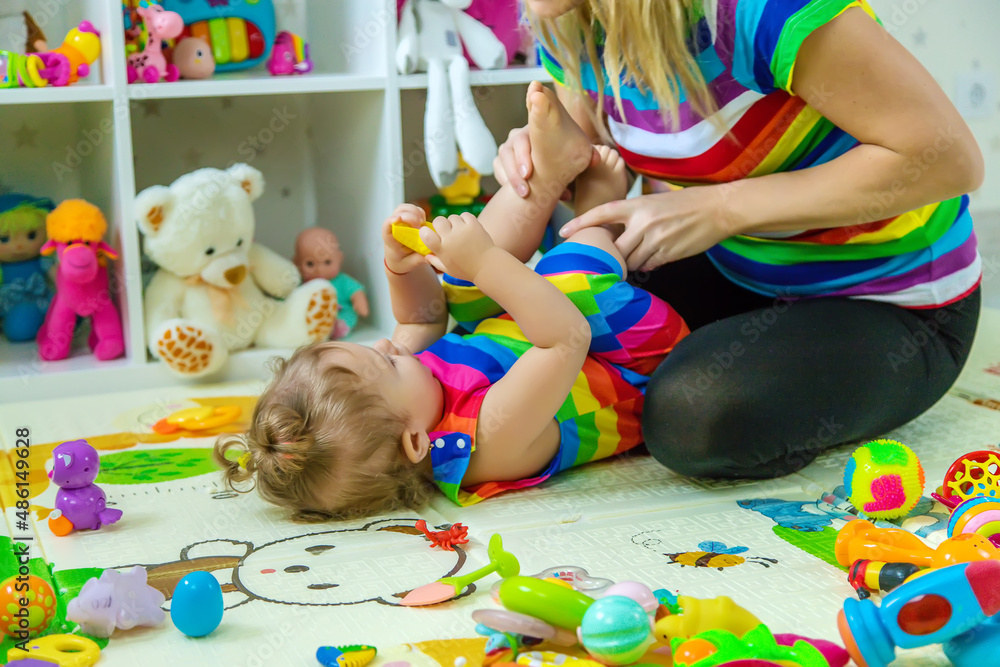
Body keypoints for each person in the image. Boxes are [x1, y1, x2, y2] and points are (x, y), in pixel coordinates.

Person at [494, 0, 984, 479]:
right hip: (737, 266)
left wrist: (721, 207)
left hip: (896, 302)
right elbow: (594, 160)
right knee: (530, 332)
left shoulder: (764, 10)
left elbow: (949, 160)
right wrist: (545, 162)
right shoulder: (574, 18)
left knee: (693, 417)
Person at [213, 84, 688, 519]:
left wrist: (402, 265)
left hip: (537, 325)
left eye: (373, 348)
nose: (387, 345)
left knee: (459, 285)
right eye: (388, 364)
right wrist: (482, 262)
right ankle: (597, 216)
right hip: (633, 355)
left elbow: (423, 319)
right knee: (563, 279)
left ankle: (546, 172)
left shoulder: (405, 396)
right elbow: (566, 339)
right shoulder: (487, 439)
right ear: (416, 441)